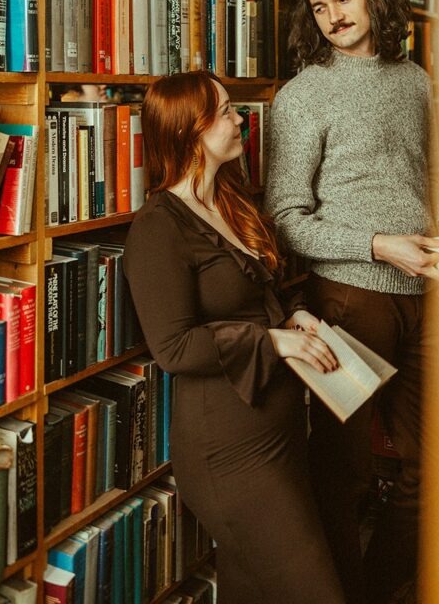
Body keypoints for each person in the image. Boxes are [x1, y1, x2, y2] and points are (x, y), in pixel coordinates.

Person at [264, 0, 439, 604]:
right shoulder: (302, 96)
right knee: (342, 474)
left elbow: (425, 179)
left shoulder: (413, 80)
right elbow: (286, 219)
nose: (331, 16)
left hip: (426, 295)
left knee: (426, 466)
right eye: (318, 8)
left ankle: (381, 589)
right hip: (347, 300)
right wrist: (378, 245)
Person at [123, 71, 346, 604]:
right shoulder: (158, 227)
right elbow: (174, 349)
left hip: (282, 429)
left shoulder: (231, 201)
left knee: (254, 589)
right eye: (224, 111)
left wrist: (295, 317)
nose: (238, 119)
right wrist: (274, 343)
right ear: (187, 130)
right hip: (229, 449)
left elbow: (261, 295)